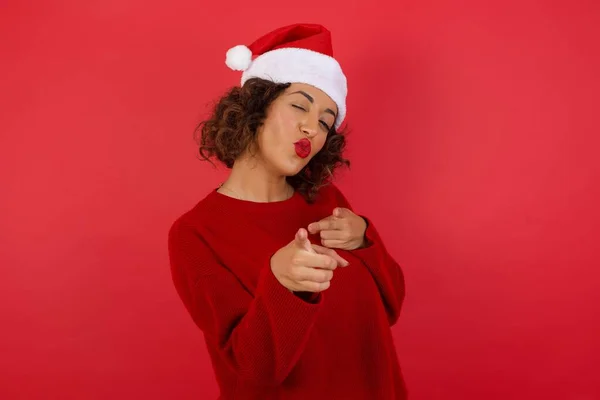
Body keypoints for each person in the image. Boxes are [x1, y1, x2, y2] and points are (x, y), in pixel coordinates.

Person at [168, 23, 407, 399]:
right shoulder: (195, 234)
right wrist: (281, 284)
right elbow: (256, 371)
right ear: (255, 109)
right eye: (299, 105)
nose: (313, 127)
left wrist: (364, 239)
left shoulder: (329, 202)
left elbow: (390, 308)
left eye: (327, 122)